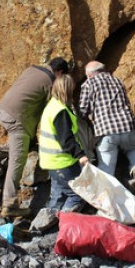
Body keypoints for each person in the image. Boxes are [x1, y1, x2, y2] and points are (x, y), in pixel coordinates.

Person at [0, 57, 69, 217]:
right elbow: (52, 110)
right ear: (60, 73)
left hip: (4, 110)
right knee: (18, 161)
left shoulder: (31, 69)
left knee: (22, 145)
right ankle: (9, 204)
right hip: (18, 119)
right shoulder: (51, 82)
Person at [79, 61, 135, 187]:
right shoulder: (117, 80)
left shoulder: (89, 84)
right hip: (128, 125)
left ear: (90, 74)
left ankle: (107, 194)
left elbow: (83, 110)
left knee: (106, 168)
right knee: (132, 148)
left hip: (107, 131)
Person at [38, 75, 88, 212]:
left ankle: (44, 228)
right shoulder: (60, 112)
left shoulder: (52, 106)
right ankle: (65, 225)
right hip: (63, 162)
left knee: (58, 196)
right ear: (67, 90)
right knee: (77, 195)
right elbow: (66, 139)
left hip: (52, 162)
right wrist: (80, 155)